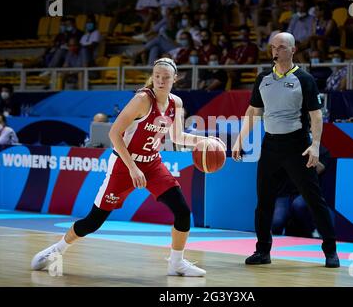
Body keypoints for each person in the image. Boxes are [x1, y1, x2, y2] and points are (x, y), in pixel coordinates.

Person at [31, 58, 225, 277]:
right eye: (157, 76)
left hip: (152, 163)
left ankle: (176, 263)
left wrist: (204, 142)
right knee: (93, 222)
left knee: (182, 211)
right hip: (124, 164)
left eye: (166, 77)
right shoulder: (143, 99)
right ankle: (56, 250)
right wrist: (133, 168)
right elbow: (114, 133)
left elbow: (176, 136)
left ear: (175, 79)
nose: (160, 80)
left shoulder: (175, 104)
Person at [231, 32, 339, 268]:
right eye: (273, 47)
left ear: (293, 50)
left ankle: (330, 250)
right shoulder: (263, 79)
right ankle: (262, 251)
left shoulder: (305, 79)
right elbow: (253, 112)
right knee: (264, 202)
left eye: (281, 47)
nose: (276, 51)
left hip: (297, 145)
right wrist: (240, 140)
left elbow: (316, 115)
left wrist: (315, 146)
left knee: (313, 200)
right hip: (270, 146)